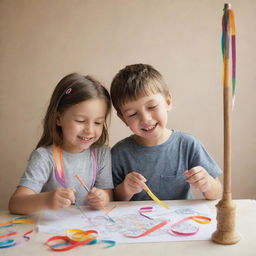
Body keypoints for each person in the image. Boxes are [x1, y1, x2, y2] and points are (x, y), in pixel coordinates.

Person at [110, 63, 222, 202]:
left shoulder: (187, 144)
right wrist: (125, 189)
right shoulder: (120, 152)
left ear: (168, 102)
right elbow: (111, 200)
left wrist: (207, 184)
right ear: (123, 119)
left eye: (152, 106)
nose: (145, 119)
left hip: (180, 221)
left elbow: (218, 193)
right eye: (132, 114)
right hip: (137, 222)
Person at [9, 73, 113, 214]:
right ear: (59, 118)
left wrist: (103, 198)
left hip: (88, 231)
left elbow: (108, 194)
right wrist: (46, 200)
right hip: (51, 232)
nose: (89, 130)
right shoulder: (44, 157)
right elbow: (15, 204)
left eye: (98, 122)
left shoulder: (102, 153)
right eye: (80, 121)